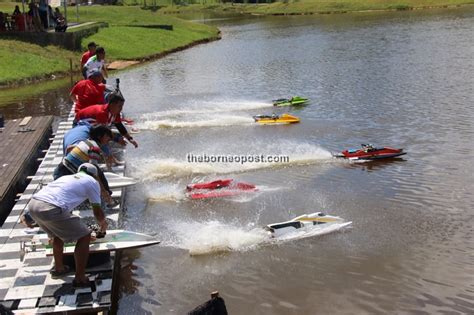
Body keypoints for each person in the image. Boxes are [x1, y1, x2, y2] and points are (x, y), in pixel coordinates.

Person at [28, 163, 107, 287]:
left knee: (57, 234)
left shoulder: (66, 178)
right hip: (50, 208)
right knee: (85, 236)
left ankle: (59, 268)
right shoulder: (92, 182)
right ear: (95, 175)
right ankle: (80, 277)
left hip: (33, 205)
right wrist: (103, 224)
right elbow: (97, 211)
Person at [53, 125, 116, 207]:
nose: (109, 139)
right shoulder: (94, 148)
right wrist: (103, 192)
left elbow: (69, 148)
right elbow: (94, 174)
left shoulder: (86, 142)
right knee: (96, 175)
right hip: (66, 174)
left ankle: (106, 198)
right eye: (107, 136)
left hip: (60, 170)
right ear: (100, 136)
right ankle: (107, 200)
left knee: (97, 171)